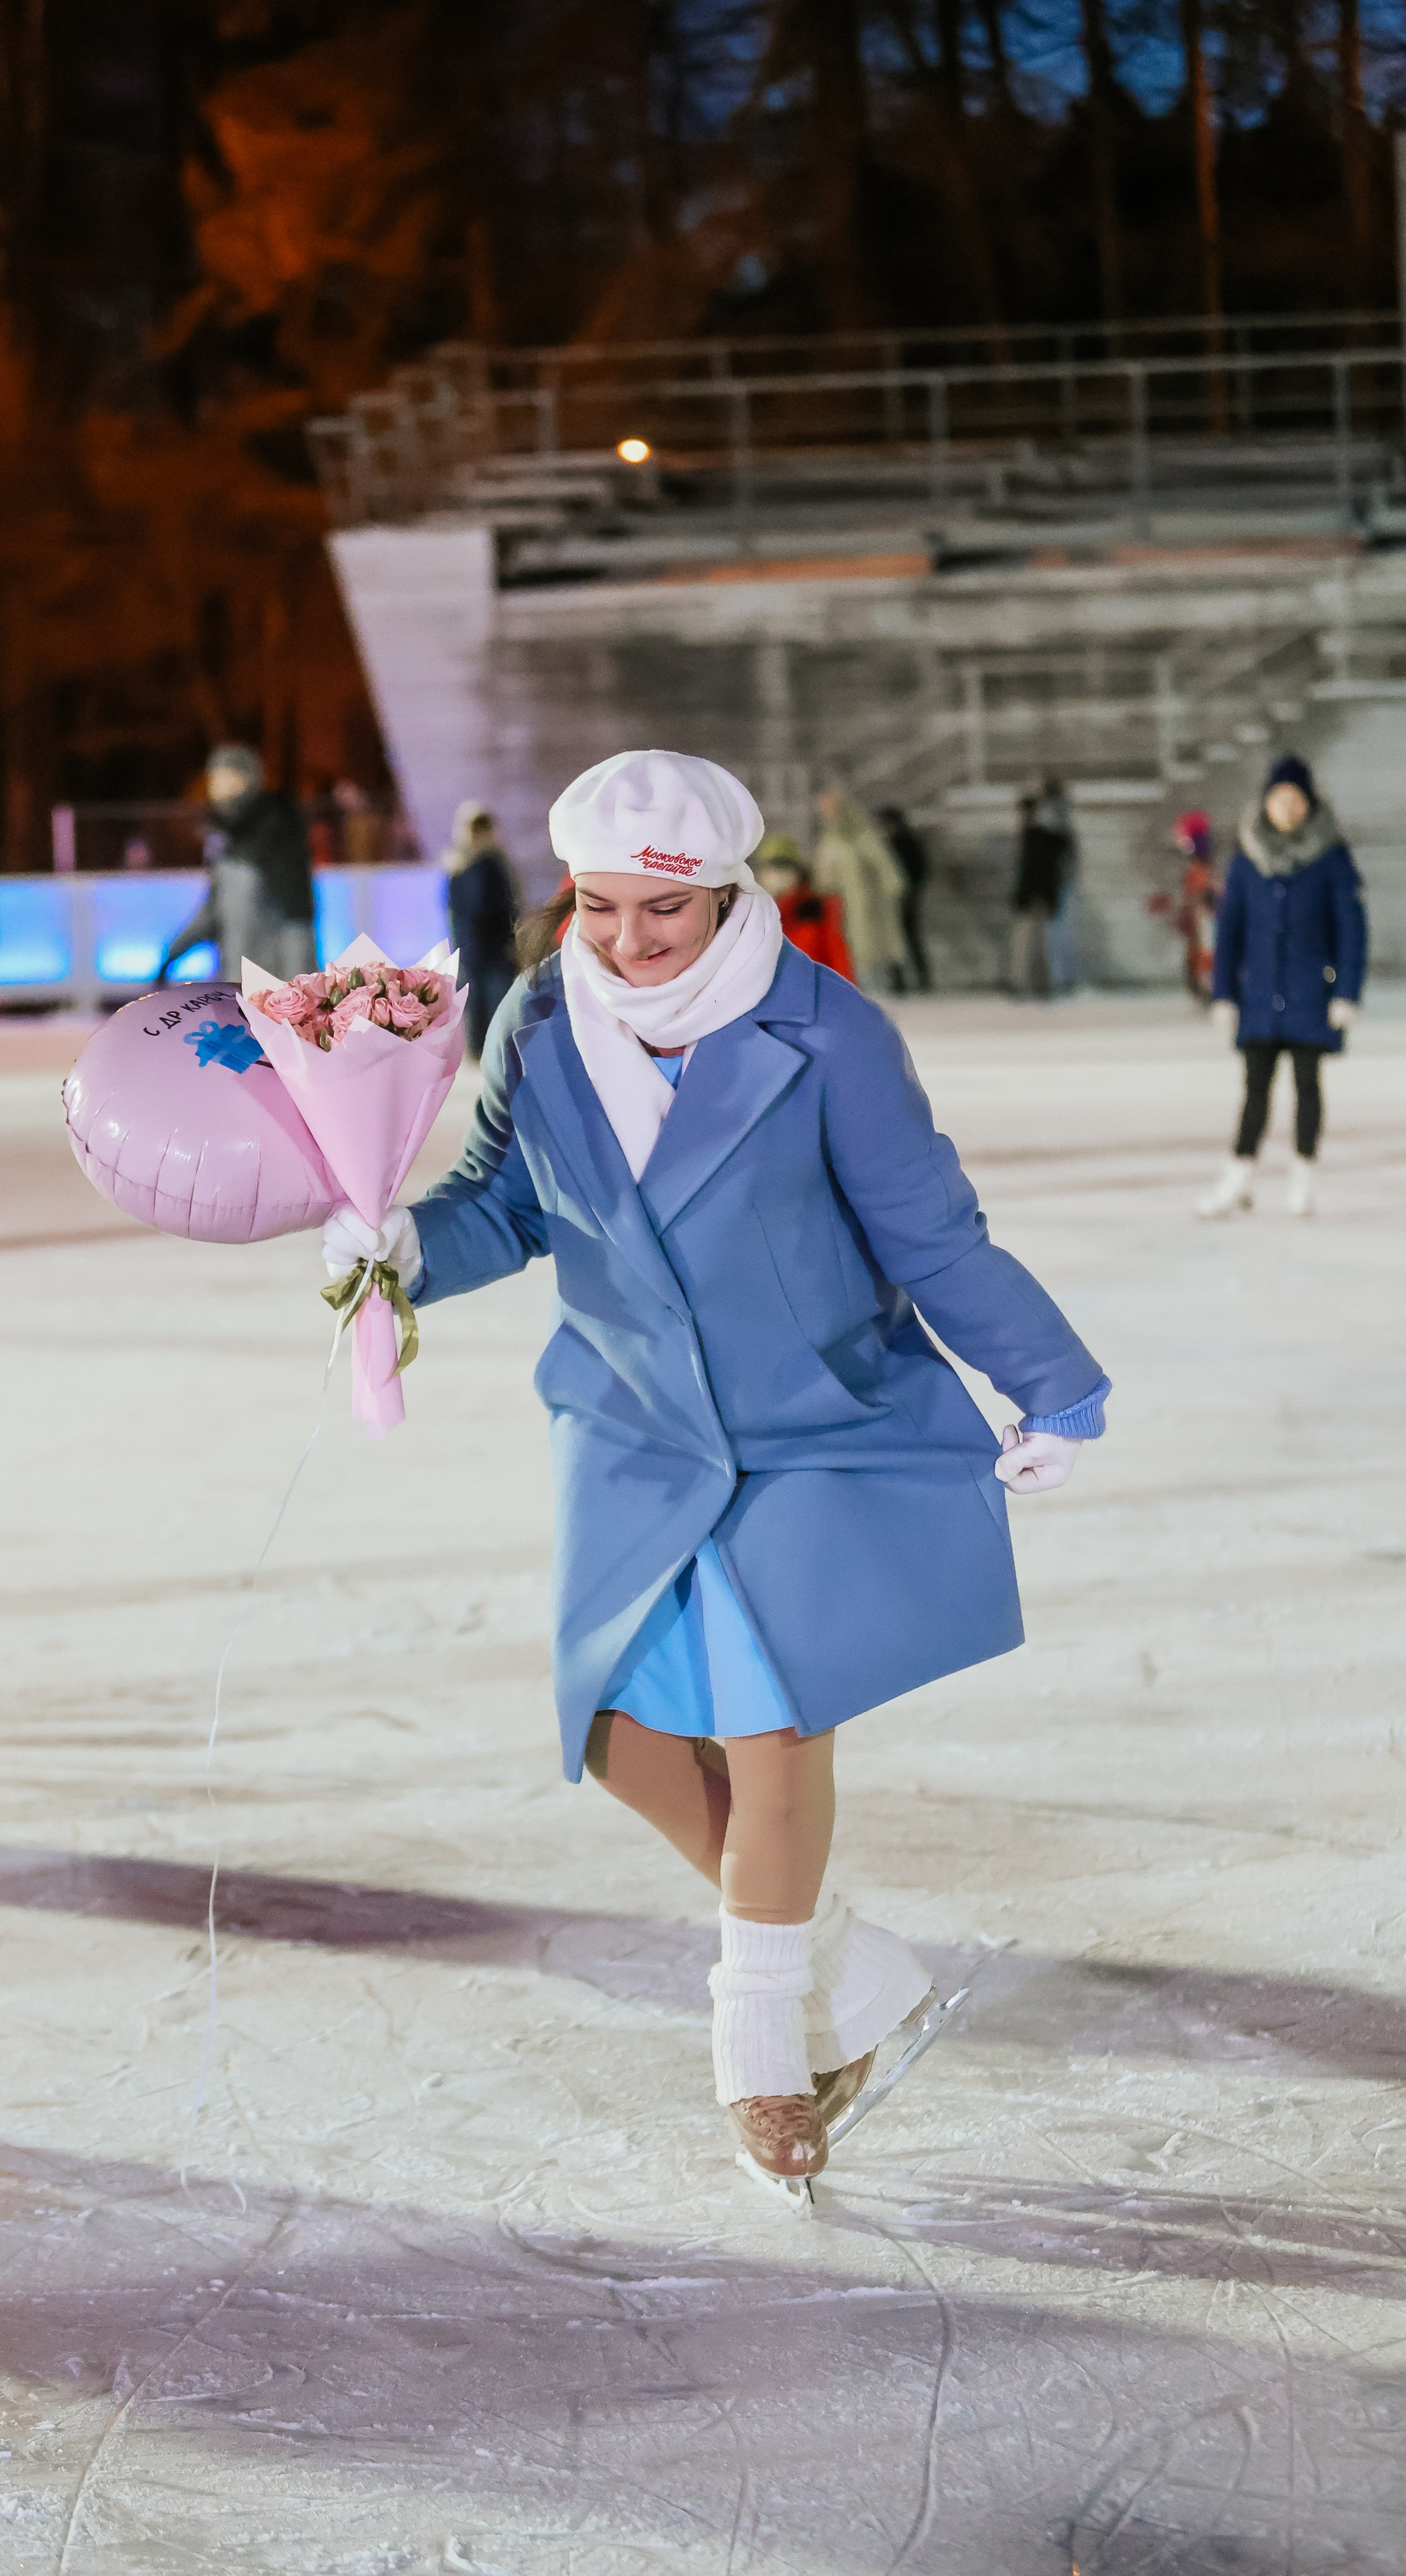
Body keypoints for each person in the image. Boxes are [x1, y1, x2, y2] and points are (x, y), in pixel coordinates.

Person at [321, 749, 1108, 2192]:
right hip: (627, 1422)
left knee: (766, 1720)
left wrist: (1048, 1378)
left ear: (728, 892)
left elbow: (930, 1233)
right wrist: (404, 1255)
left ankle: (762, 2053)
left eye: (659, 915)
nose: (624, 941)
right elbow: (508, 1201)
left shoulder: (828, 1035)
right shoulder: (544, 1019)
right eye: (599, 906)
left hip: (810, 1419)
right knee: (615, 1731)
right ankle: (850, 1970)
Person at [1197, 753, 1366, 1222]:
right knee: (1254, 1091)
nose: (1288, 809)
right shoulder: (1248, 859)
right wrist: (1224, 995)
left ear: (1309, 805)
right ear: (1267, 803)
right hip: (1260, 999)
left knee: (1308, 1087)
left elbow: (1351, 930)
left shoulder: (1332, 858)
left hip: (1311, 996)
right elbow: (1229, 929)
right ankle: (1240, 1178)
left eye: (1296, 800)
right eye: (1280, 799)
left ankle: (1303, 1177)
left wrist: (1347, 993)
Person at [158, 745, 315, 985]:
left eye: (226, 777)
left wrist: (299, 988)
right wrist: (173, 955)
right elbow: (215, 909)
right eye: (213, 778)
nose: (215, 787)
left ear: (247, 780)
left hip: (276, 988)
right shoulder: (222, 838)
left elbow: (296, 914)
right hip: (236, 982)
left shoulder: (278, 828)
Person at [442, 800, 521, 1061]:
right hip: (473, 948)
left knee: (499, 1002)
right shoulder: (458, 866)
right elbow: (457, 911)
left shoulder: (496, 864)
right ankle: (481, 1052)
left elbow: (508, 906)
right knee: (476, 1003)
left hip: (496, 948)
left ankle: (498, 1053)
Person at [811, 785, 906, 990]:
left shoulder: (863, 836)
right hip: (838, 901)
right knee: (845, 943)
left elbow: (883, 865)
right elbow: (825, 871)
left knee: (869, 942)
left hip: (867, 899)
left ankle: (879, 983)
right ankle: (855, 983)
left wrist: (892, 887)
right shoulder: (832, 840)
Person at [753, 832, 854, 978]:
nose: (777, 877)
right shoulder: (753, 917)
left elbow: (838, 964)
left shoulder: (814, 915)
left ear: (797, 874)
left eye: (785, 869)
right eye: (772, 869)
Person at [1151, 809, 1220, 1002]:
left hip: (1207, 923)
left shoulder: (1204, 867)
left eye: (1184, 839)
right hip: (1199, 926)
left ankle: (1208, 989)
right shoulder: (1196, 867)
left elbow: (1206, 894)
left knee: (1206, 954)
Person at [1010, 786, 1070, 1000]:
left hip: (1037, 897)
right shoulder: (1028, 836)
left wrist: (1039, 896)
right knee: (1029, 945)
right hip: (1032, 897)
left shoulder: (1039, 836)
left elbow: (1043, 867)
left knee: (1043, 945)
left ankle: (1045, 985)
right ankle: (1032, 985)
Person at [875, 805, 932, 992]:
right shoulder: (888, 843)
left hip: (907, 898)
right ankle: (900, 978)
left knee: (908, 937)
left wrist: (912, 891)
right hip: (892, 899)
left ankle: (919, 977)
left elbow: (921, 871)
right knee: (896, 938)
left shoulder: (905, 842)